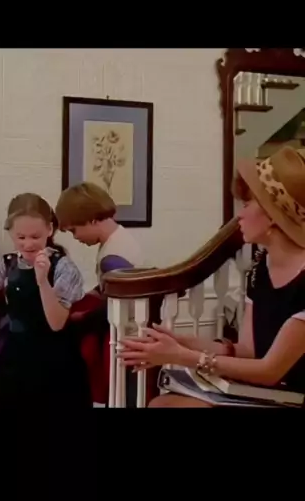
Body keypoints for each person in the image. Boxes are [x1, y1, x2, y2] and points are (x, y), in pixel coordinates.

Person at [119, 145, 305, 408]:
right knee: (162, 403)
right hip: (269, 393)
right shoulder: (260, 268)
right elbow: (247, 352)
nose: (239, 215)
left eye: (247, 204)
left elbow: (269, 370)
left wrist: (182, 356)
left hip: (292, 397)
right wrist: (179, 342)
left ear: (273, 215)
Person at [0, 193, 91, 408]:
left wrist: (42, 281)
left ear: (49, 230)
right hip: (15, 358)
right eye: (21, 237)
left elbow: (56, 323)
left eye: (35, 236)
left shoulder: (63, 267)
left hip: (56, 362)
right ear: (10, 233)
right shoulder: (6, 264)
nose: (27, 244)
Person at [55, 182, 144, 405]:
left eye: (74, 230)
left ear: (93, 219)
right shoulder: (120, 239)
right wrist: (94, 294)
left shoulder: (111, 258)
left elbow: (120, 300)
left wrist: (83, 317)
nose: (75, 237)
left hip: (128, 340)